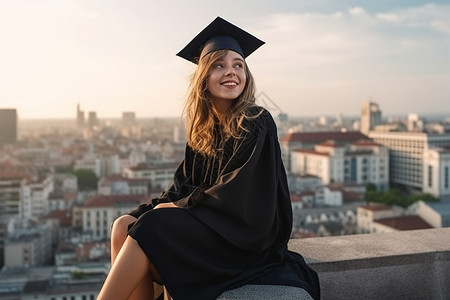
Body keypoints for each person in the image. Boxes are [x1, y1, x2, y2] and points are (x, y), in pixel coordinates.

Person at [97, 16, 320, 300]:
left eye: (238, 65)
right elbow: (182, 186)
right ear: (204, 76)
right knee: (122, 226)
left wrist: (178, 207)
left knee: (151, 228)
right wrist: (153, 208)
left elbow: (237, 192)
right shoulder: (203, 130)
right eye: (219, 65)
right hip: (210, 229)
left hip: (242, 237)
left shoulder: (255, 120)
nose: (231, 72)